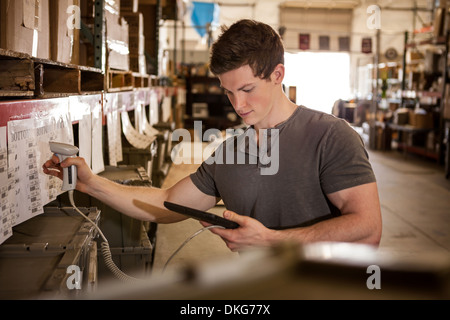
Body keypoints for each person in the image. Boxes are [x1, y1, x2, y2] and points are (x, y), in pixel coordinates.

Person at [43, 19, 382, 252]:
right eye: (229, 92)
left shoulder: (331, 136)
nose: (238, 104)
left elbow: (368, 228)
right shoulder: (231, 152)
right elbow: (166, 204)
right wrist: (90, 183)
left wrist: (272, 240)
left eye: (247, 89)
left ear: (278, 74)